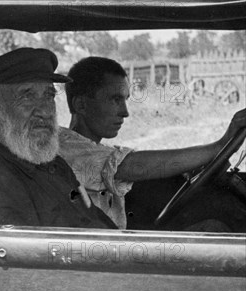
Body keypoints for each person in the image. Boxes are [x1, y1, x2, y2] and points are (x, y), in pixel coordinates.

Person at [60, 56, 246, 229]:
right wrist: (220, 146)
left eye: (125, 100)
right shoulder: (66, 148)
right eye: (115, 100)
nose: (125, 112)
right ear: (81, 105)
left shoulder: (92, 149)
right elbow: (130, 165)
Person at [0, 48, 116, 229]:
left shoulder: (49, 162)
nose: (45, 111)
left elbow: (92, 219)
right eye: (27, 96)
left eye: (49, 95)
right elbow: (29, 255)